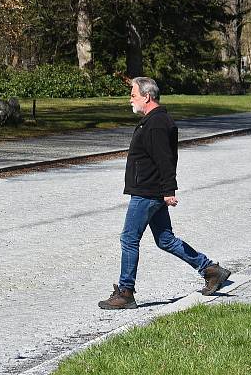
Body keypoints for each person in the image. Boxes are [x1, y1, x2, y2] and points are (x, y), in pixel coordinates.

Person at [99, 77, 231, 310]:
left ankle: (126, 292)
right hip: (151, 190)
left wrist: (168, 190)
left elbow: (165, 160)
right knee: (165, 240)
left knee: (129, 239)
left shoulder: (157, 123)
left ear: (147, 97)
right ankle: (210, 270)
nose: (130, 99)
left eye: (133, 95)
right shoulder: (153, 120)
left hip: (148, 192)